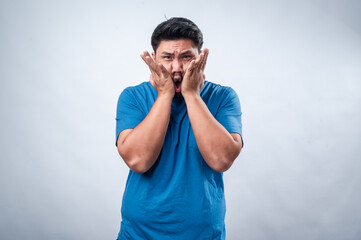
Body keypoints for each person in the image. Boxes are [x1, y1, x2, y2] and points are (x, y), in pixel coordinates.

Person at [115, 17, 243, 240]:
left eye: (186, 57)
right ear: (154, 59)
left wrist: (192, 94)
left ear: (200, 59)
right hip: (138, 235)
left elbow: (222, 160)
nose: (176, 68)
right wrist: (165, 94)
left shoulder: (223, 97)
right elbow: (138, 160)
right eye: (167, 58)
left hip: (203, 235)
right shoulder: (132, 97)